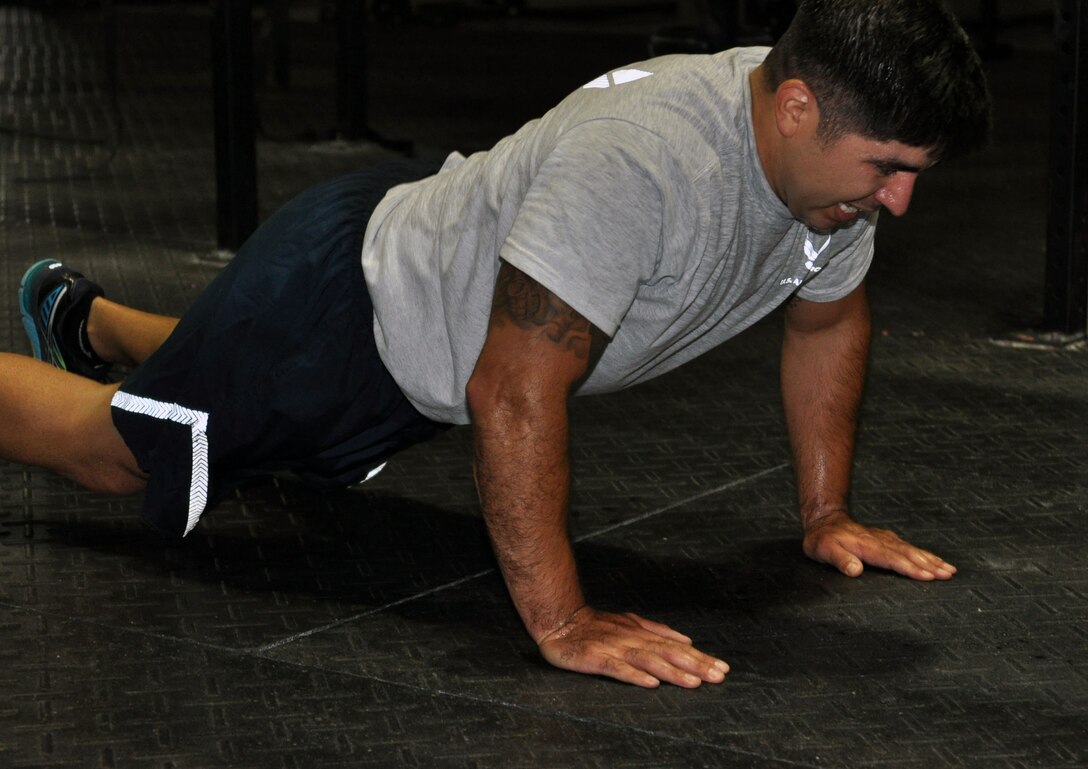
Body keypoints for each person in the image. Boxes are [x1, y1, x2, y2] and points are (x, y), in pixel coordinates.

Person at [3, 0, 991, 689]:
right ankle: (106, 358)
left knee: (228, 370)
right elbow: (510, 393)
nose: (898, 200)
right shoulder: (643, 165)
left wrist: (826, 514)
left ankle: (87, 320)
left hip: (398, 281)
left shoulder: (823, 170)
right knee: (114, 456)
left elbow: (826, 318)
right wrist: (562, 623)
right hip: (334, 320)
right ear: (796, 107)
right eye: (887, 167)